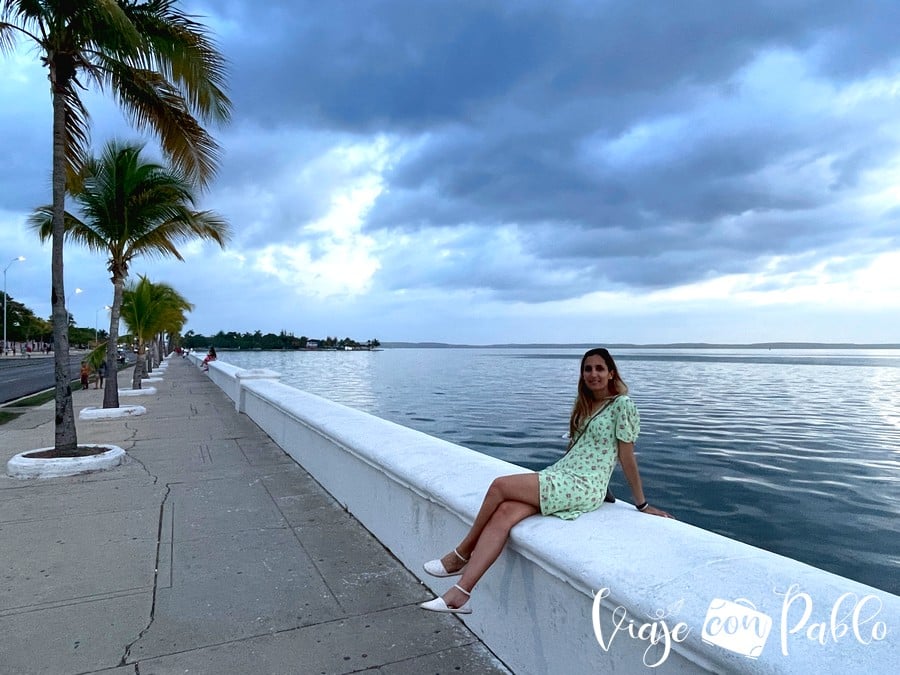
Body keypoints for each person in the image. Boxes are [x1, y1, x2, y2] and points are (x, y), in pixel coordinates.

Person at [419, 347, 673, 615]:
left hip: (582, 485)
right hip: (563, 475)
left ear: (611, 373)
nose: (593, 374)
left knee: (500, 485)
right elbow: (584, 451)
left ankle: (460, 554)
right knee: (504, 512)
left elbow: (625, 456)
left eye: (600, 368)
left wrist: (642, 504)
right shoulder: (585, 405)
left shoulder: (623, 405)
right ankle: (461, 595)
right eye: (588, 369)